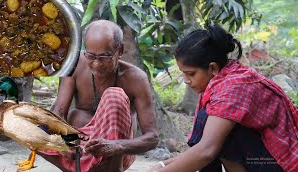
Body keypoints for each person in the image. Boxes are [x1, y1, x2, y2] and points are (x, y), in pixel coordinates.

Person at [148, 24, 298, 172]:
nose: (186, 80)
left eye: (191, 73)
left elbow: (206, 151)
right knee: (210, 124)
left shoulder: (233, 87)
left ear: (212, 68)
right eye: (184, 74)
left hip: (280, 163)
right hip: (264, 159)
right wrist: (163, 165)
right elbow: (202, 150)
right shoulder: (221, 80)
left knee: (217, 130)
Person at [39, 20, 159, 172]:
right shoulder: (74, 64)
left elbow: (152, 137)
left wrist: (117, 145)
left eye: (104, 56)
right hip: (80, 147)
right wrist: (64, 142)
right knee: (29, 123)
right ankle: (74, 168)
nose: (96, 64)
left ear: (120, 50)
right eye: (90, 55)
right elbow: (60, 111)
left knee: (114, 96)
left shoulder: (136, 79)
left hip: (117, 153)